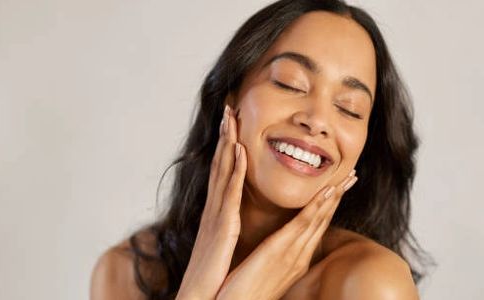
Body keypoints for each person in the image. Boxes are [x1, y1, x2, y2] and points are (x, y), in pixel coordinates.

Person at [91, 0, 431, 299]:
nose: (317, 120)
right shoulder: (126, 273)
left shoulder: (370, 284)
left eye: (349, 108)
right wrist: (199, 287)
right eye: (289, 83)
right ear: (231, 95)